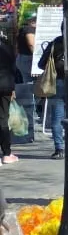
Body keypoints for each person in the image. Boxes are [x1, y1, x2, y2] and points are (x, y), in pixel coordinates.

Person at [37, 27, 67, 159]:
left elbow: (41, 63)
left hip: (58, 82)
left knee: (57, 117)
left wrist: (53, 66)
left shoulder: (55, 43)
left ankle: (59, 148)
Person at [0, 33, 21, 163]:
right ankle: (7, 153)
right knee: (3, 118)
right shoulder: (7, 47)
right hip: (5, 86)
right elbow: (13, 68)